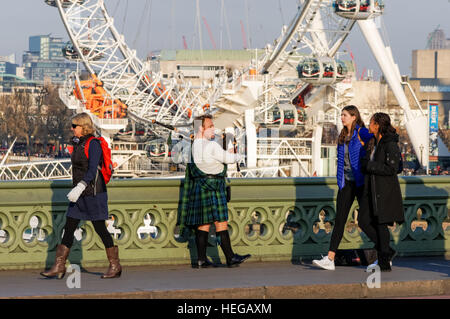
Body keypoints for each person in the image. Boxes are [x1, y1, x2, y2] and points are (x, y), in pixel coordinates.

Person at [41, 113, 121, 279]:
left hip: (93, 193)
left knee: (100, 228)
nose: (72, 129)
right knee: (68, 227)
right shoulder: (78, 143)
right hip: (79, 194)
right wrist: (77, 189)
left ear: (83, 127)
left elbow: (92, 170)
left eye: (74, 126)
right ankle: (59, 265)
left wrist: (81, 186)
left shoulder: (93, 144)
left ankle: (115, 265)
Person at [177, 114, 251, 268]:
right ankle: (230, 257)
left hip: (199, 186)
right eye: (210, 126)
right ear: (200, 128)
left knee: (203, 225)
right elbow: (228, 159)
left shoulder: (193, 146)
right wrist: (240, 154)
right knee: (221, 223)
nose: (213, 129)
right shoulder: (210, 146)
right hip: (214, 186)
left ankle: (201, 260)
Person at [312, 105, 373, 270]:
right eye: (341, 115)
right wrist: (340, 180)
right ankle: (330, 259)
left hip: (360, 183)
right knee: (339, 220)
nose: (342, 117)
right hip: (345, 183)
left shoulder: (361, 132)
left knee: (366, 221)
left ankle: (385, 251)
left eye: (345, 115)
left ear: (354, 117)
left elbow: (376, 139)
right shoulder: (343, 135)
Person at [358, 112, 404, 272]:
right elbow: (365, 160)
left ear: (377, 125)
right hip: (370, 188)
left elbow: (394, 168)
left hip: (384, 189)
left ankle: (383, 262)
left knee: (381, 224)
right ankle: (387, 251)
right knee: (363, 221)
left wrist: (370, 166)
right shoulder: (372, 142)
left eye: (371, 123)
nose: (369, 125)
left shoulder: (389, 143)